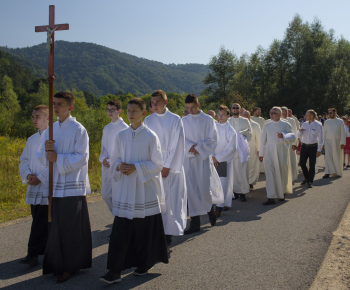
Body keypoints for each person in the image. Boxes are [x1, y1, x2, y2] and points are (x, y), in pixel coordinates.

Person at [101, 98, 168, 284]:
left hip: (143, 190)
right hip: (125, 190)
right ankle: (114, 271)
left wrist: (136, 168)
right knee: (119, 231)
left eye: (135, 111)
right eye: (129, 111)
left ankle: (143, 264)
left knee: (143, 231)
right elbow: (114, 159)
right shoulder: (120, 136)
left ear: (143, 113)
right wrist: (119, 166)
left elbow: (158, 164)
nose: (130, 114)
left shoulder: (150, 136)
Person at [36, 92, 92, 283]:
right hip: (54, 185)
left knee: (70, 227)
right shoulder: (50, 129)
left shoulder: (79, 129)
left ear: (70, 107)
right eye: (54, 103)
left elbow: (82, 157)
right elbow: (40, 156)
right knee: (55, 227)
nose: (55, 107)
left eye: (59, 104)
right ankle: (56, 264)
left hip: (71, 187)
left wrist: (57, 158)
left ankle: (70, 265)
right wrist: (47, 150)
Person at [143, 90, 187, 250]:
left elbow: (178, 144)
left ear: (166, 102)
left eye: (158, 102)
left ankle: (167, 238)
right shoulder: (147, 120)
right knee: (155, 202)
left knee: (169, 202)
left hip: (170, 167)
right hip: (153, 165)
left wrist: (167, 166)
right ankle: (156, 236)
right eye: (152, 102)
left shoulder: (175, 119)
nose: (154, 105)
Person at [182, 93, 218, 234]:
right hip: (189, 159)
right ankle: (195, 223)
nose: (190, 110)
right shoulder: (184, 121)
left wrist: (197, 147)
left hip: (202, 159)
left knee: (203, 190)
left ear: (198, 104)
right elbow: (181, 138)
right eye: (188, 108)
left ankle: (210, 211)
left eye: (192, 107)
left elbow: (213, 139)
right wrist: (189, 146)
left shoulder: (208, 120)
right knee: (191, 191)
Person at [18, 105, 49, 266]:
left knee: (40, 221)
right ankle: (42, 250)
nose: (34, 120)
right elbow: (24, 160)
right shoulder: (31, 139)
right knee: (36, 217)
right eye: (33, 117)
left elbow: (52, 162)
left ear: (47, 118)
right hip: (33, 184)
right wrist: (28, 174)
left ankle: (33, 254)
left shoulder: (52, 137)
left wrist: (41, 177)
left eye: (38, 116)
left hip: (45, 186)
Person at [259, 107, 296, 205]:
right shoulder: (267, 125)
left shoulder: (286, 124)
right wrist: (261, 154)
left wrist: (283, 136)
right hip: (269, 152)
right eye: (270, 113)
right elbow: (263, 140)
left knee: (281, 172)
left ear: (279, 114)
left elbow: (293, 137)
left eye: (273, 113)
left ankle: (281, 193)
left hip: (282, 151)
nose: (271, 115)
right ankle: (271, 196)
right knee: (270, 174)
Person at [99, 100, 128, 215]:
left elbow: (125, 151)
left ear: (119, 111)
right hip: (107, 167)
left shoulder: (125, 128)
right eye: (108, 109)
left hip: (118, 166)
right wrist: (104, 159)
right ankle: (116, 216)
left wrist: (113, 161)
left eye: (112, 109)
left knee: (118, 196)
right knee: (105, 194)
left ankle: (120, 220)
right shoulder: (106, 128)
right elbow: (104, 148)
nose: (110, 112)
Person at [213, 105, 237, 217]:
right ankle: (213, 204)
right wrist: (212, 157)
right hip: (212, 159)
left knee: (222, 184)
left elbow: (232, 148)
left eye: (223, 115)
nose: (220, 117)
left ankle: (219, 207)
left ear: (228, 115)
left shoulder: (231, 130)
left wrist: (218, 158)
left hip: (223, 160)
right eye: (219, 114)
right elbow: (210, 143)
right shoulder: (214, 128)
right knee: (212, 183)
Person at [228, 103, 251, 202]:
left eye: (237, 108)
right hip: (231, 149)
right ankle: (236, 192)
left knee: (242, 171)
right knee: (233, 172)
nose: (235, 109)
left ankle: (243, 192)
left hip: (242, 149)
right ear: (231, 109)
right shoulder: (228, 121)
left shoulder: (245, 120)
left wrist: (240, 135)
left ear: (240, 109)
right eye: (233, 108)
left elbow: (250, 132)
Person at [298, 110, 323, 188]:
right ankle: (307, 176)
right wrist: (299, 131)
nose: (305, 116)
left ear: (311, 116)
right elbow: (299, 135)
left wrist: (319, 150)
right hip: (304, 146)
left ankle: (310, 181)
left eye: (307, 115)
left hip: (313, 147)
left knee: (312, 165)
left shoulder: (318, 125)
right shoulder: (304, 124)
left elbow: (321, 139)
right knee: (302, 163)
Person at [322, 108, 346, 178]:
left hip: (337, 142)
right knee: (328, 157)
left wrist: (342, 143)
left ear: (335, 113)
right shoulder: (326, 122)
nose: (329, 114)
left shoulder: (340, 121)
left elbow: (343, 132)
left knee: (336, 157)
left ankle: (337, 172)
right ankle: (327, 172)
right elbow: (324, 133)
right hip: (328, 141)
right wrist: (323, 143)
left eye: (331, 113)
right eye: (328, 113)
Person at [242, 110, 261, 190]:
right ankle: (243, 183)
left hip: (252, 148)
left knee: (251, 166)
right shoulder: (240, 124)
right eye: (244, 115)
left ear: (250, 116)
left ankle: (250, 182)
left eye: (247, 114)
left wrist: (259, 149)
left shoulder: (255, 125)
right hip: (241, 149)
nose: (246, 116)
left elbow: (259, 138)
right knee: (242, 166)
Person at [281, 107, 298, 181]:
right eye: (283, 114)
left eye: (286, 113)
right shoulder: (277, 120)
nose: (285, 115)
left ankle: (291, 177)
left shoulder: (291, 120)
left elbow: (295, 132)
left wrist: (295, 143)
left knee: (291, 160)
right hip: (281, 144)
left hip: (290, 143)